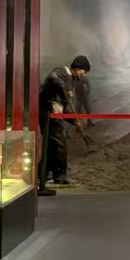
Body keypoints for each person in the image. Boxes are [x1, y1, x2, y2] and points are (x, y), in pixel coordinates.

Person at [39, 55, 90, 194]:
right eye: (84, 71)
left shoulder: (71, 80)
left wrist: (73, 120)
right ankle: (59, 177)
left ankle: (45, 176)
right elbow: (53, 77)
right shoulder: (62, 71)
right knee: (59, 145)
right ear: (78, 67)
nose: (84, 75)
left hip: (55, 114)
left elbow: (65, 104)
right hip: (48, 113)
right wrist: (61, 85)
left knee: (51, 146)